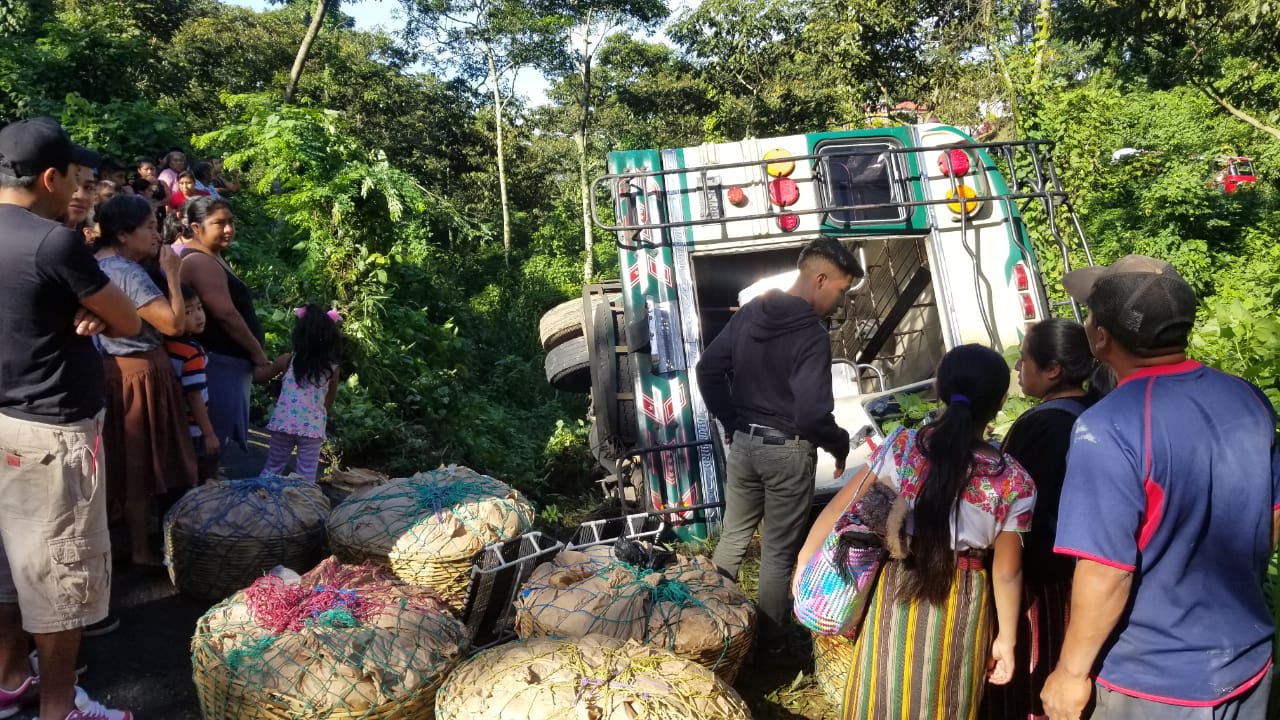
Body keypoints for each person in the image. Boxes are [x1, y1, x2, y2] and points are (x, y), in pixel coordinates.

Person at [1041, 255, 1278, 720]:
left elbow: (1106, 570)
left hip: (1155, 682)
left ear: (1102, 338)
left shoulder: (1107, 427)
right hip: (1249, 660)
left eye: (1090, 314)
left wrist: (1070, 674)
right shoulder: (1248, 397)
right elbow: (1271, 518)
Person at [800, 344, 1035, 720]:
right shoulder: (1015, 481)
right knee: (949, 700)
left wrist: (804, 562)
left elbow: (845, 510)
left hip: (897, 585)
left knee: (881, 692)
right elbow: (1007, 572)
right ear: (1001, 401)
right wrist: (1006, 639)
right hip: (964, 600)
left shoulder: (904, 447)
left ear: (939, 389)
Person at [0, 117, 139, 720]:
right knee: (62, 577)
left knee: (8, 567)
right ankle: (60, 708)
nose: (79, 192)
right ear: (50, 178)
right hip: (50, 432)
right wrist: (103, 316)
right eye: (75, 179)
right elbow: (130, 319)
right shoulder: (51, 242)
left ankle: (9, 682)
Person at [696, 237, 861, 651]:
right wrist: (839, 443)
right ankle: (769, 648)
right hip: (787, 453)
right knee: (776, 555)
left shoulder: (751, 313)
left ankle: (709, 629)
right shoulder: (811, 335)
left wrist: (733, 420)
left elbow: (708, 369)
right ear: (820, 279)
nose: (839, 303)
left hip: (747, 445)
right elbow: (810, 415)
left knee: (733, 538)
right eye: (840, 291)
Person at [981, 318, 1101, 720]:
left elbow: (1013, 512)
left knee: (1035, 675)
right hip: (1086, 575)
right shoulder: (1096, 411)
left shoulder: (1042, 424)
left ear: (1053, 370)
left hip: (1041, 582)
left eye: (1025, 360)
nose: (1018, 368)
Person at [93, 195, 197, 569]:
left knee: (120, 459)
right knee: (139, 462)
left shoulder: (96, 263)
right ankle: (140, 550)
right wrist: (172, 272)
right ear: (123, 234)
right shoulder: (126, 272)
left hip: (110, 367)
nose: (157, 236)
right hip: (137, 370)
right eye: (150, 228)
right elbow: (174, 324)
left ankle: (118, 542)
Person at [179, 197, 271, 469]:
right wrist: (259, 355)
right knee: (210, 444)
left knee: (215, 444)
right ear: (196, 227)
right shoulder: (200, 262)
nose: (228, 229)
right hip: (217, 365)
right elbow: (226, 315)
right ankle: (199, 502)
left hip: (224, 364)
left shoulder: (212, 256)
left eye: (231, 222)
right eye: (219, 223)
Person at [261, 306, 342, 483]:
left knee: (273, 467)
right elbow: (328, 401)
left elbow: (261, 376)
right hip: (312, 428)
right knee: (306, 476)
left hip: (284, 422)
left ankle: (261, 501)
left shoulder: (287, 360)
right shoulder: (332, 370)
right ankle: (301, 506)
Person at [166, 286, 220, 484]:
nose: (198, 316)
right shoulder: (192, 351)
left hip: (173, 424)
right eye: (188, 312)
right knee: (204, 481)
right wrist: (209, 433)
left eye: (199, 308)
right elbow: (194, 395)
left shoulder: (161, 344)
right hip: (194, 429)